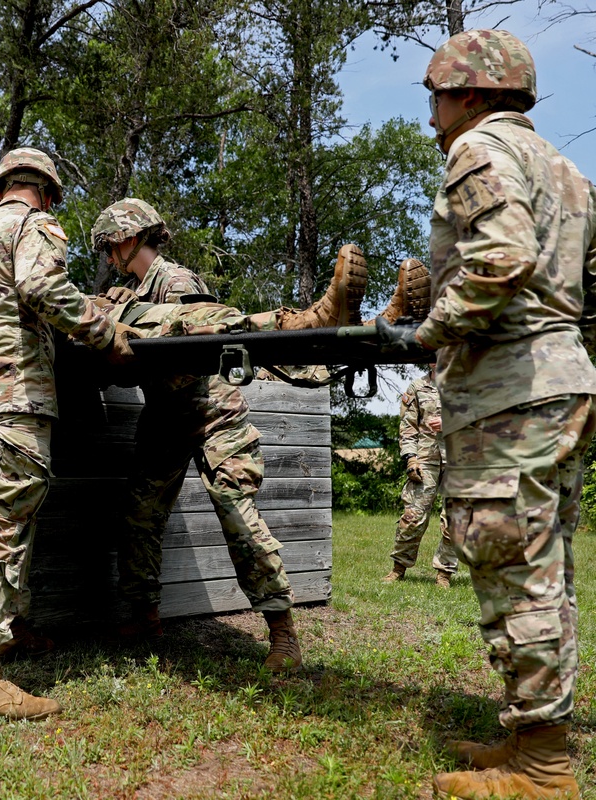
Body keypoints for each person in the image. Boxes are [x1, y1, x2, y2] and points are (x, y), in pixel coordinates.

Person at [376, 29, 596, 800]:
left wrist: (428, 334)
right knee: (545, 569)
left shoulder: (478, 151)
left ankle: (543, 769)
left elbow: (500, 260)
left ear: (469, 93)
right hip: (561, 381)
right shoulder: (566, 172)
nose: (432, 114)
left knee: (513, 569)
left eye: (436, 97)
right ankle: (531, 734)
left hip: (509, 387)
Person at [89, 198, 374, 673]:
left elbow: (190, 342)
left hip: (210, 407)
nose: (107, 259)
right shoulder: (133, 290)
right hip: (166, 412)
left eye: (108, 248)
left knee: (235, 512)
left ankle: (283, 635)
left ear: (126, 238)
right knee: (140, 517)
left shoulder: (175, 281)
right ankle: (144, 617)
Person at [0, 147, 136, 721]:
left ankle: (9, 632)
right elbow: (42, 289)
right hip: (17, 400)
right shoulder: (34, 226)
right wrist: (102, 332)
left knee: (5, 519)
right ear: (47, 191)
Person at [382, 367, 459, 588]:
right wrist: (411, 458)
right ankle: (398, 568)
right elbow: (408, 427)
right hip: (425, 459)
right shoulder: (417, 387)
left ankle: (444, 573)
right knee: (413, 515)